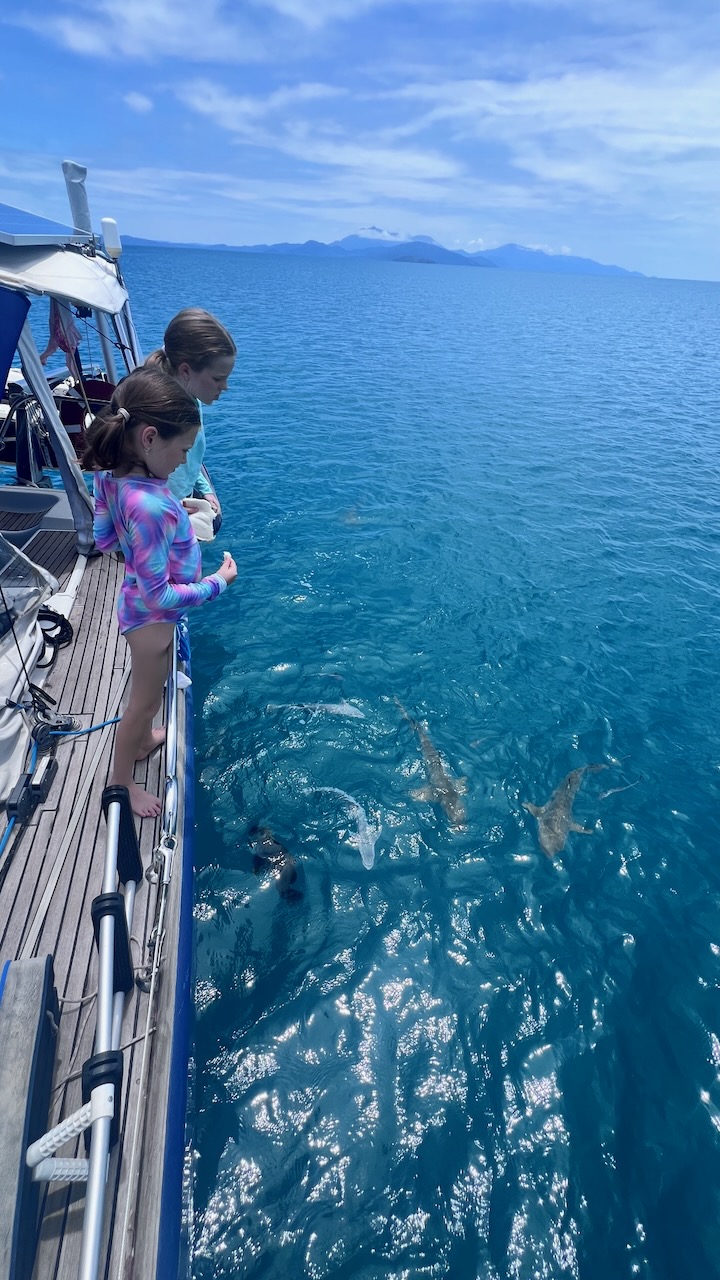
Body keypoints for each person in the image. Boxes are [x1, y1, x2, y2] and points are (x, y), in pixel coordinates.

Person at [84, 366, 237, 818]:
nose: (183, 463)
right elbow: (160, 598)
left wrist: (177, 508)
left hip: (137, 608)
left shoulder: (113, 477)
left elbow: (107, 538)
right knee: (144, 701)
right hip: (151, 620)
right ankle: (121, 782)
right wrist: (215, 584)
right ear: (150, 438)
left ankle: (146, 739)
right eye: (183, 451)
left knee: (149, 695)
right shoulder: (148, 506)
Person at [145, 308, 236, 532]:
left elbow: (191, 460)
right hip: (157, 517)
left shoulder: (191, 401)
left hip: (177, 504)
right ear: (186, 370)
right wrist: (172, 511)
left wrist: (205, 490)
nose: (225, 387)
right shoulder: (160, 414)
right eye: (218, 378)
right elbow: (135, 482)